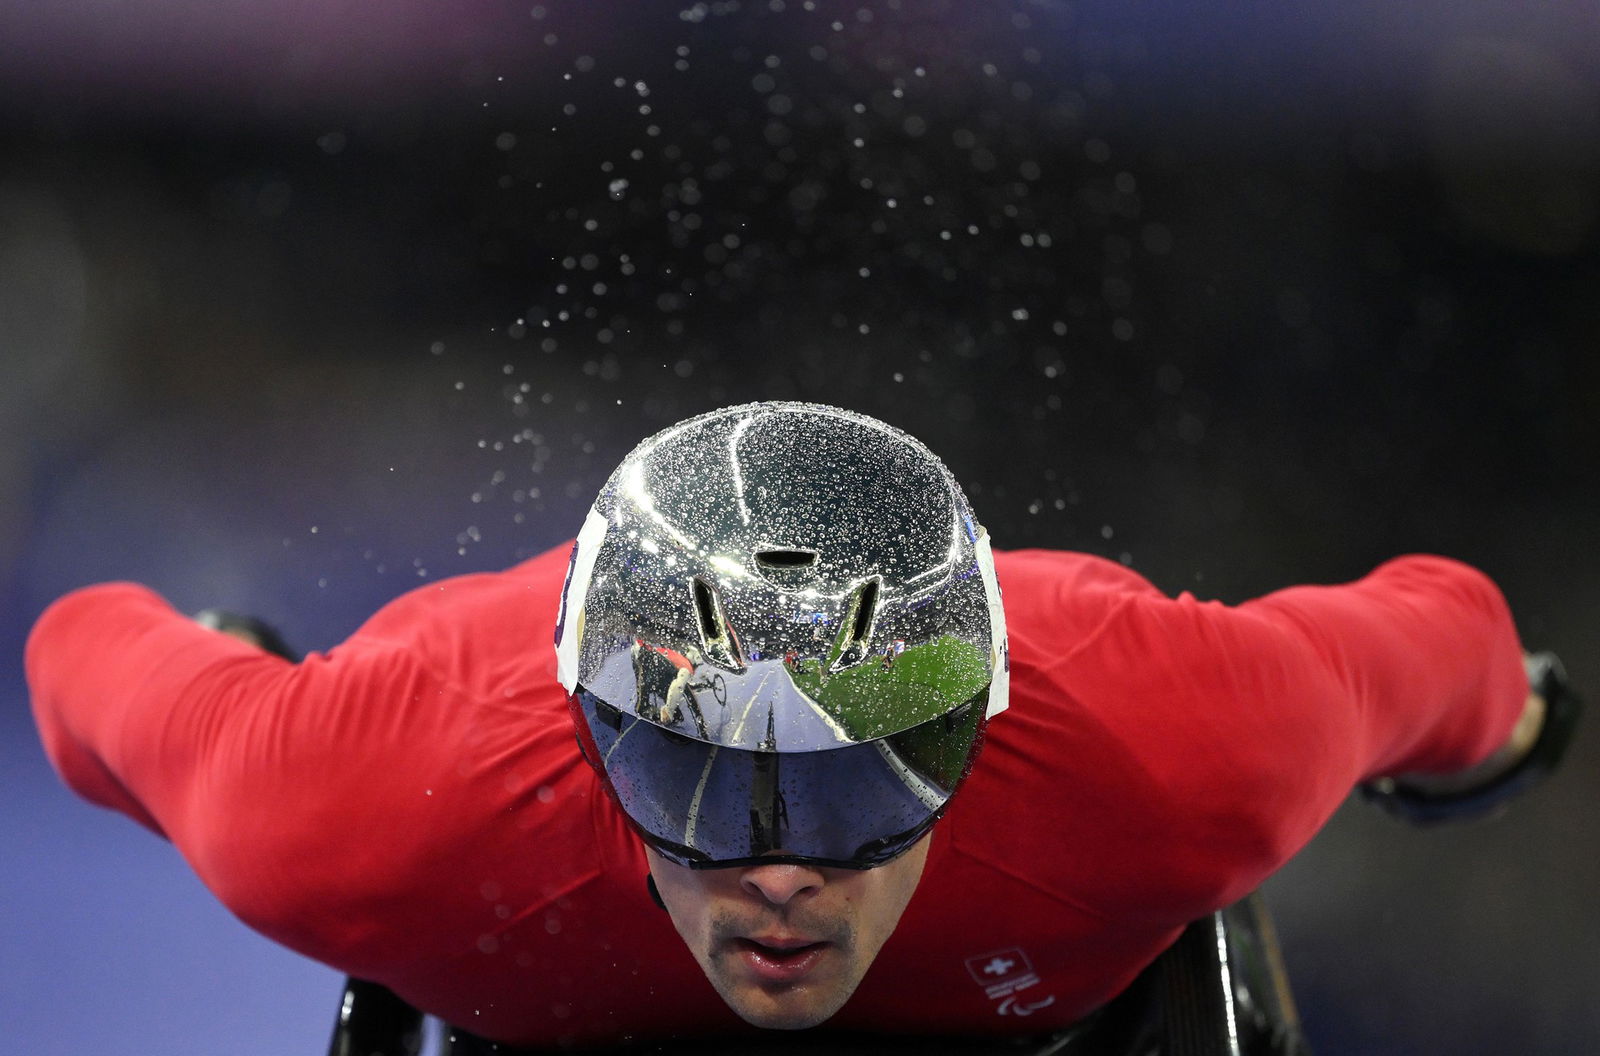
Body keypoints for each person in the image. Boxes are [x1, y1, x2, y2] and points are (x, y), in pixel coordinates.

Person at [26, 402, 1560, 1050]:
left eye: (851, 796)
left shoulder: (1180, 744)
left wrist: (1489, 722)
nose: (778, 878)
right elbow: (83, 658)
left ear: (981, 720)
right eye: (696, 783)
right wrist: (1506, 746)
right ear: (581, 730)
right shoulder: (351, 796)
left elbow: (1449, 643)